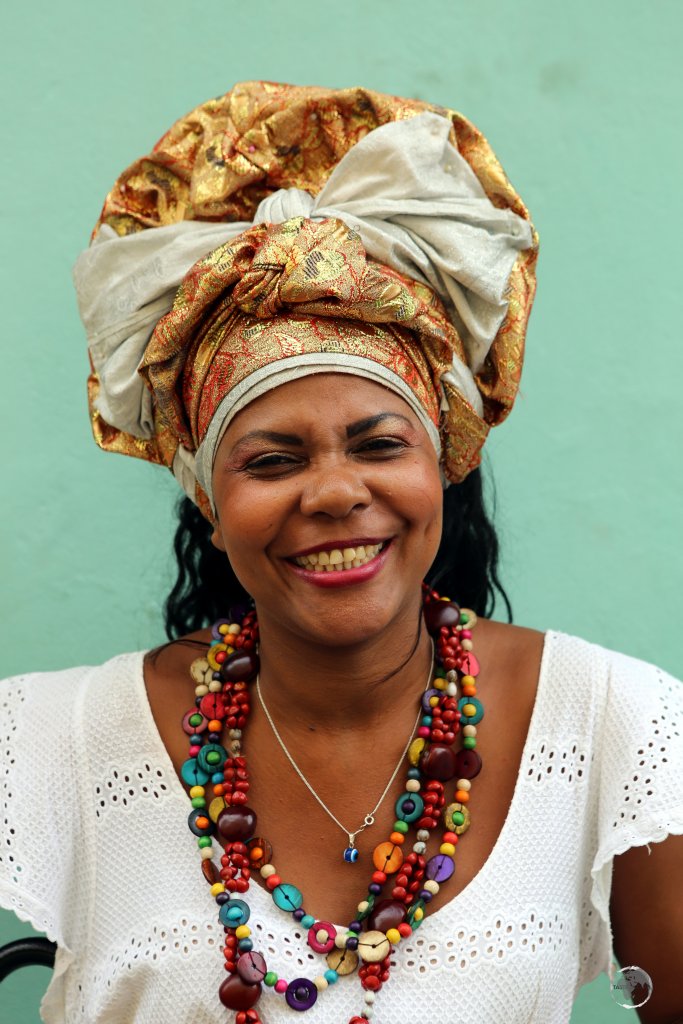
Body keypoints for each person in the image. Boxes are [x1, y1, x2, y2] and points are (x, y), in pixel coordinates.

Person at [0, 81, 681, 1024]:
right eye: (272, 459)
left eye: (377, 443)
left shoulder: (617, 726)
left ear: (443, 462)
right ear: (209, 499)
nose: (332, 492)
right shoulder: (46, 744)